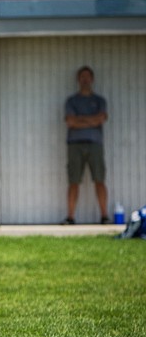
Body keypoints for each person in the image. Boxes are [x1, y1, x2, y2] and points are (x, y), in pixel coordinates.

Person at [62, 65, 109, 225]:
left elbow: (101, 118)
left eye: (88, 76)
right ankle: (70, 217)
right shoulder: (71, 101)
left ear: (92, 79)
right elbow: (70, 122)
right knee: (73, 181)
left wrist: (80, 119)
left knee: (99, 179)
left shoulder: (99, 100)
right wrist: (91, 120)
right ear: (78, 79)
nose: (85, 80)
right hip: (74, 145)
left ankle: (104, 216)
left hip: (95, 145)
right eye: (82, 77)